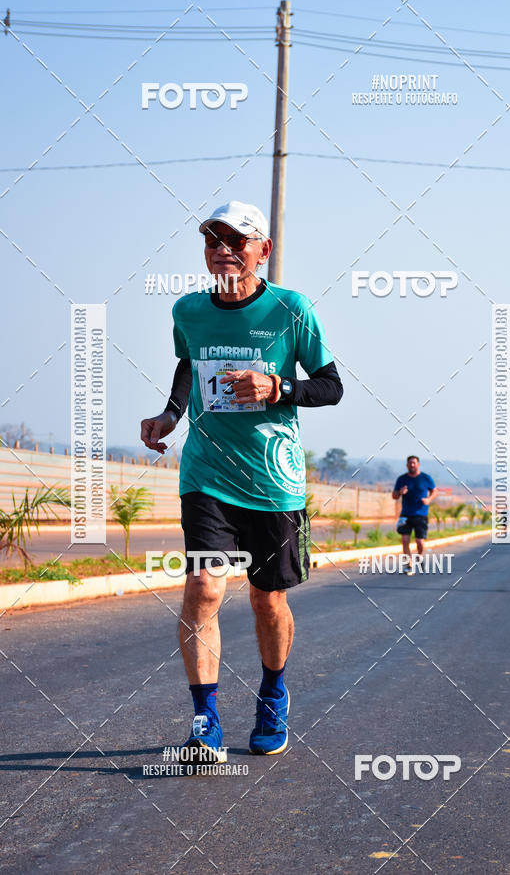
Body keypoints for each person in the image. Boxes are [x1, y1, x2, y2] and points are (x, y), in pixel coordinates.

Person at [140, 200, 343, 759]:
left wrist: (278, 388)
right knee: (205, 586)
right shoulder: (188, 311)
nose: (223, 250)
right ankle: (205, 719)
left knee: (266, 598)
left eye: (236, 241)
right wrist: (169, 416)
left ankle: (273, 693)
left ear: (263, 250)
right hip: (206, 473)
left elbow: (330, 385)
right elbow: (189, 365)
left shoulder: (291, 309)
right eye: (213, 242)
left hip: (273, 479)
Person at [391, 456, 437, 573]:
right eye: (410, 463)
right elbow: (394, 496)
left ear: (418, 464)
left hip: (420, 514)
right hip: (405, 514)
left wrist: (429, 499)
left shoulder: (425, 478)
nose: (412, 465)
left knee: (420, 541)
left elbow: (434, 491)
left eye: (414, 463)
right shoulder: (402, 479)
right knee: (405, 540)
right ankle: (409, 565)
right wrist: (400, 492)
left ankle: (419, 556)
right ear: (407, 465)